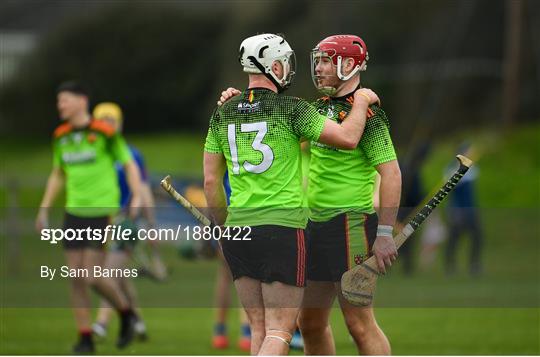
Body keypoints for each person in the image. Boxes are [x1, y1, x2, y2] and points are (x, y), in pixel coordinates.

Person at [218, 34, 401, 355]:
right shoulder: (315, 109)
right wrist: (242, 105)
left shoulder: (369, 115)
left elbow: (392, 173)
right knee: (310, 323)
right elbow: (274, 143)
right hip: (312, 227)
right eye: (317, 60)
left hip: (351, 226)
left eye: (326, 60)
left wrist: (385, 232)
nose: (318, 67)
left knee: (359, 324)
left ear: (349, 64)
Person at [35, 82, 141, 354]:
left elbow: (129, 164)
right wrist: (45, 207)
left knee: (93, 276)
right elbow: (58, 173)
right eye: (59, 101)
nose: (60, 106)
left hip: (102, 211)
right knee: (75, 277)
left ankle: (126, 313)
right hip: (74, 212)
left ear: (82, 101)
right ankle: (85, 336)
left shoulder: (104, 132)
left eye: (65, 100)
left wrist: (138, 196)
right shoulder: (61, 136)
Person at [90, 102, 164, 341]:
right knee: (119, 277)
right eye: (103, 120)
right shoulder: (94, 155)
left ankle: (101, 323)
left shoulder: (132, 155)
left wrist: (150, 224)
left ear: (120, 125)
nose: (108, 125)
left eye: (112, 121)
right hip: (101, 221)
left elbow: (142, 190)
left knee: (108, 273)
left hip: (125, 222)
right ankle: (137, 321)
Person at [444, 142, 482, 276]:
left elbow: (472, 176)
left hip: (470, 209)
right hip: (457, 210)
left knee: (477, 237)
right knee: (454, 238)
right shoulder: (451, 168)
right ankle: (450, 266)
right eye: (469, 151)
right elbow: (452, 185)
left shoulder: (472, 168)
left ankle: (474, 265)